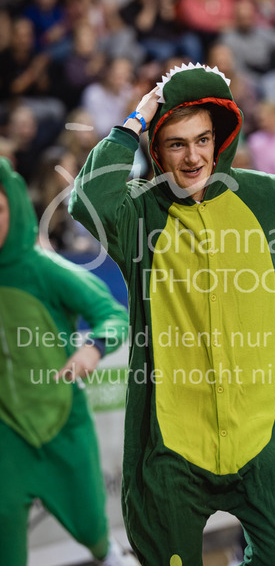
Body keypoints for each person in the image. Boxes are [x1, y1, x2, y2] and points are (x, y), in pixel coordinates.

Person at [70, 63, 275, 566]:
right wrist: (134, 121)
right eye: (177, 144)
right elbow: (88, 199)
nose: (193, 157)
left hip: (263, 433)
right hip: (172, 442)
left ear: (221, 138)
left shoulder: (270, 195)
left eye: (203, 140)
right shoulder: (138, 213)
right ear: (156, 148)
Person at [0, 157, 137, 566]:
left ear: (15, 208)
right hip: (7, 435)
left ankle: (112, 555)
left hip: (63, 424)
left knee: (93, 531)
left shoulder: (45, 269)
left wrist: (94, 347)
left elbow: (112, 314)